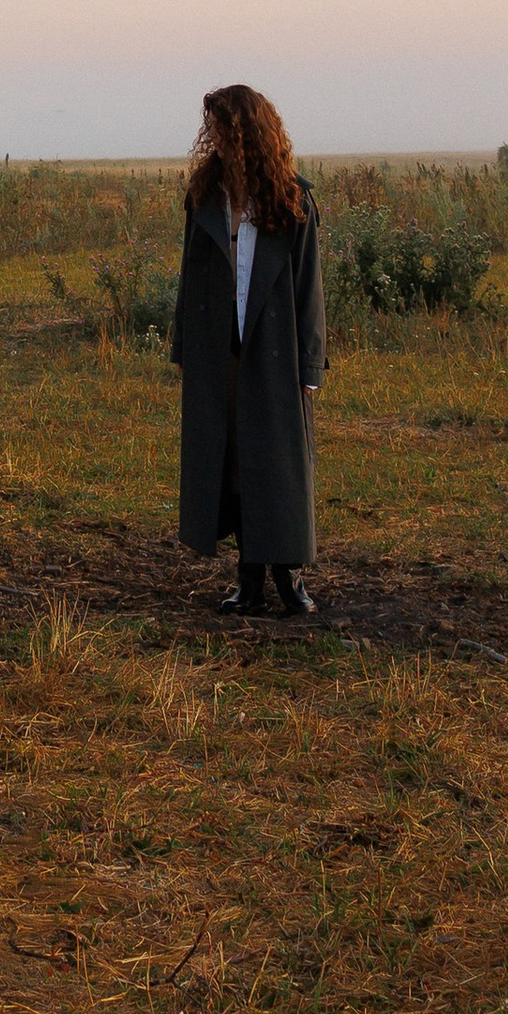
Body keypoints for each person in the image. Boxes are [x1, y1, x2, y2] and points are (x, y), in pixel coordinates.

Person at [171, 82, 325, 618]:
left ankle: (290, 575)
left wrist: (310, 364)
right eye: (210, 126)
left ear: (249, 131)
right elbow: (189, 279)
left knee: (279, 461)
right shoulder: (205, 195)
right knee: (231, 459)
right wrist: (184, 347)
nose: (214, 136)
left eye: (223, 126)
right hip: (219, 352)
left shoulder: (292, 198)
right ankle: (248, 578)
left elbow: (309, 290)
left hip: (276, 352)